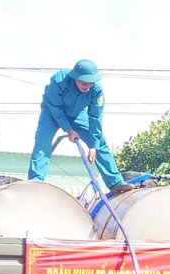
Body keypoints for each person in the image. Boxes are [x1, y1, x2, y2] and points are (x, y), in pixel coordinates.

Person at [28, 59, 128, 194]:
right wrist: (68, 129)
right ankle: (36, 181)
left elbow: (95, 118)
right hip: (51, 112)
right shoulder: (59, 80)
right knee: (42, 142)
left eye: (90, 82)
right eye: (83, 82)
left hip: (77, 113)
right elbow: (56, 107)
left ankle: (115, 182)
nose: (87, 85)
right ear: (75, 77)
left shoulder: (97, 91)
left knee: (100, 143)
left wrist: (93, 145)